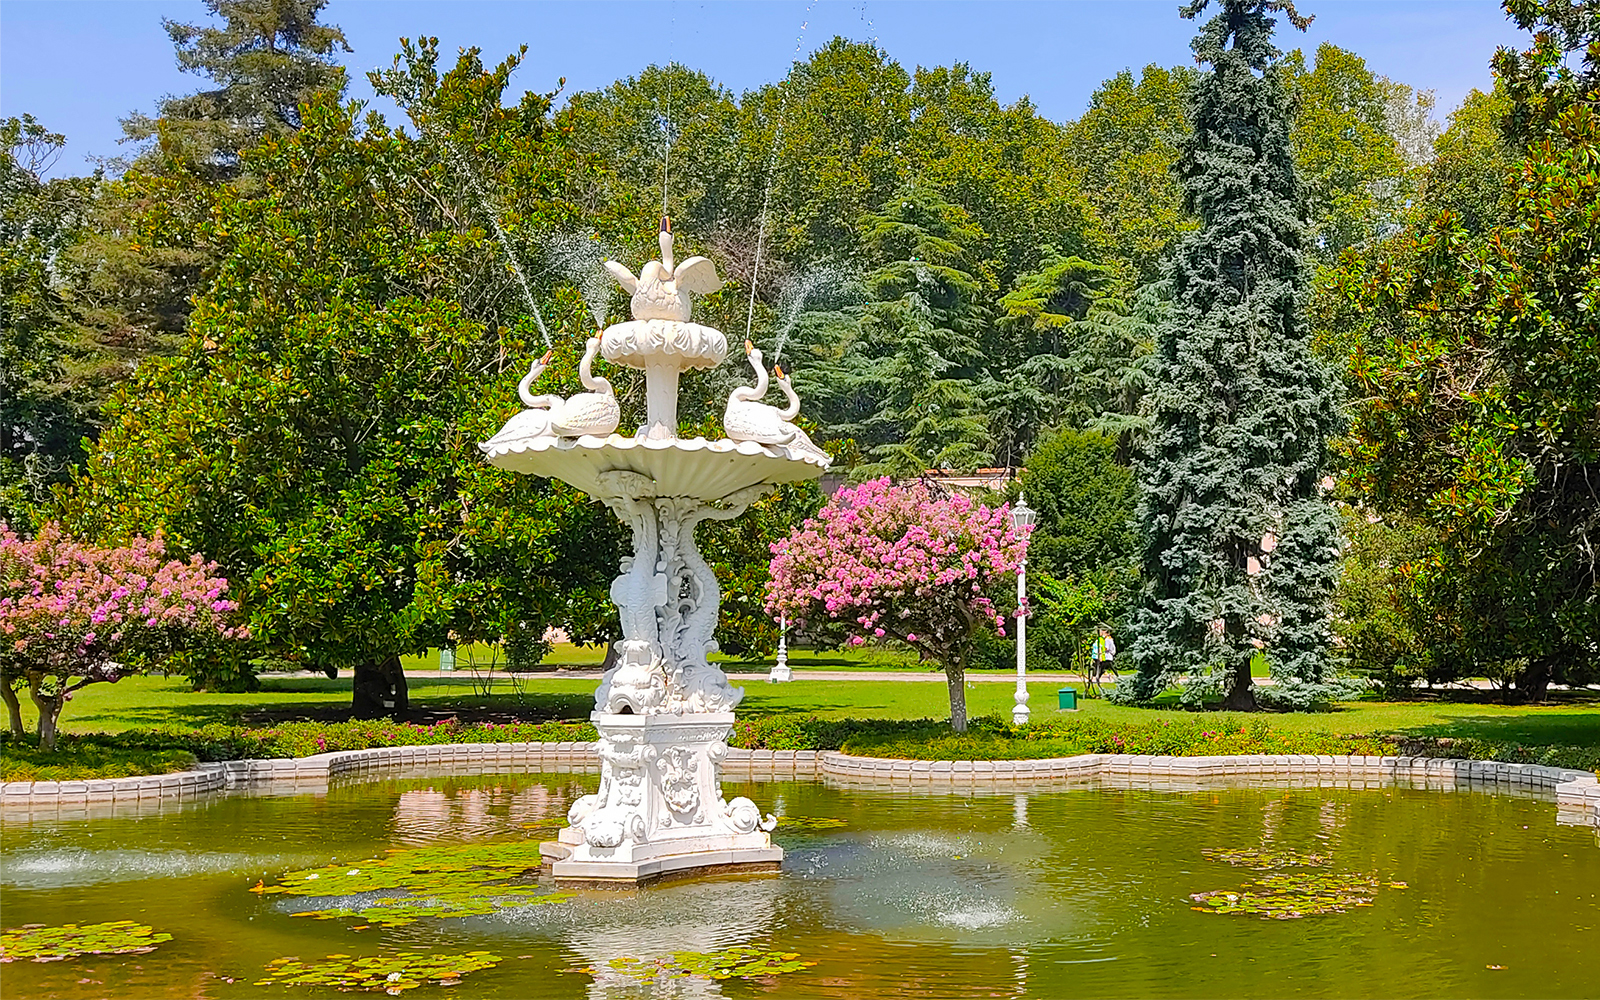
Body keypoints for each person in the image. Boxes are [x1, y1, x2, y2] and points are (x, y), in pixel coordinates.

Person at [1088, 628, 1116, 695]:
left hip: (1106, 657)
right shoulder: (1102, 639)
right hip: (1103, 656)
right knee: (1102, 669)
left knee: (1102, 668)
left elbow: (1104, 648)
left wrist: (1100, 654)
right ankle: (1105, 676)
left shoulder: (1107, 640)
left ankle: (1110, 676)